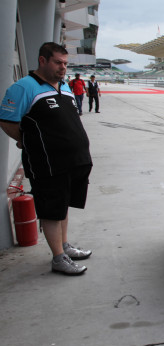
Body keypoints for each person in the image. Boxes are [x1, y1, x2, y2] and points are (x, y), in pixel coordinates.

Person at [0, 42, 93, 275]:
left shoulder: (64, 87)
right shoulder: (24, 87)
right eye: (58, 62)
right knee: (51, 208)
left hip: (73, 160)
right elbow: (7, 121)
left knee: (62, 206)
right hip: (47, 163)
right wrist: (25, 140)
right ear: (42, 61)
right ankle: (58, 258)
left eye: (65, 63)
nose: (63, 67)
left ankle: (63, 245)